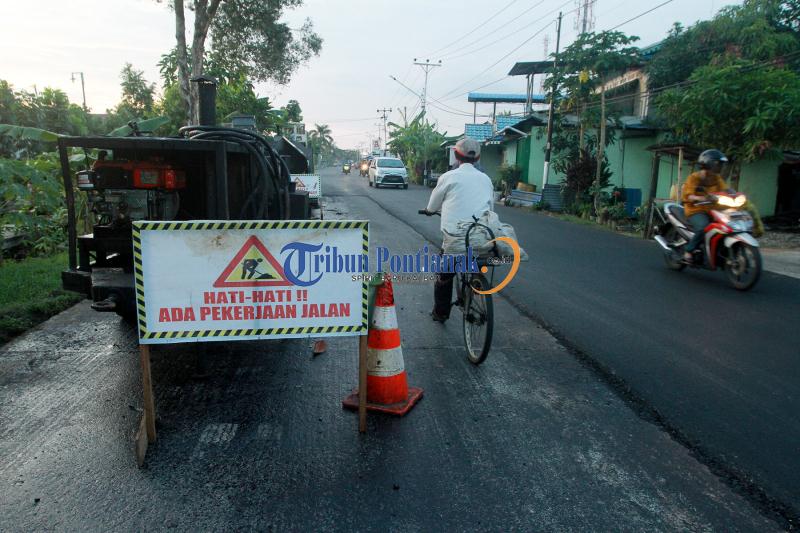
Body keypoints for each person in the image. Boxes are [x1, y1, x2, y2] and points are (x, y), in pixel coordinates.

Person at [424, 137, 494, 323]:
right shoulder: (486, 179)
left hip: (455, 240)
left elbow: (432, 206)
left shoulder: (448, 177)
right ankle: (476, 286)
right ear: (477, 157)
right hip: (481, 237)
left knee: (444, 275)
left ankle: (441, 313)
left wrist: (430, 211)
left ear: (456, 155)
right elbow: (490, 210)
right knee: (476, 260)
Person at [681, 149, 730, 263]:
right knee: (704, 227)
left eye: (720, 164)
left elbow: (725, 189)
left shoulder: (716, 178)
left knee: (726, 226)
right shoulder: (694, 177)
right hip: (695, 210)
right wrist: (701, 198)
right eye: (718, 164)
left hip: (712, 209)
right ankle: (688, 250)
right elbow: (688, 196)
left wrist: (734, 194)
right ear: (709, 163)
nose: (720, 167)